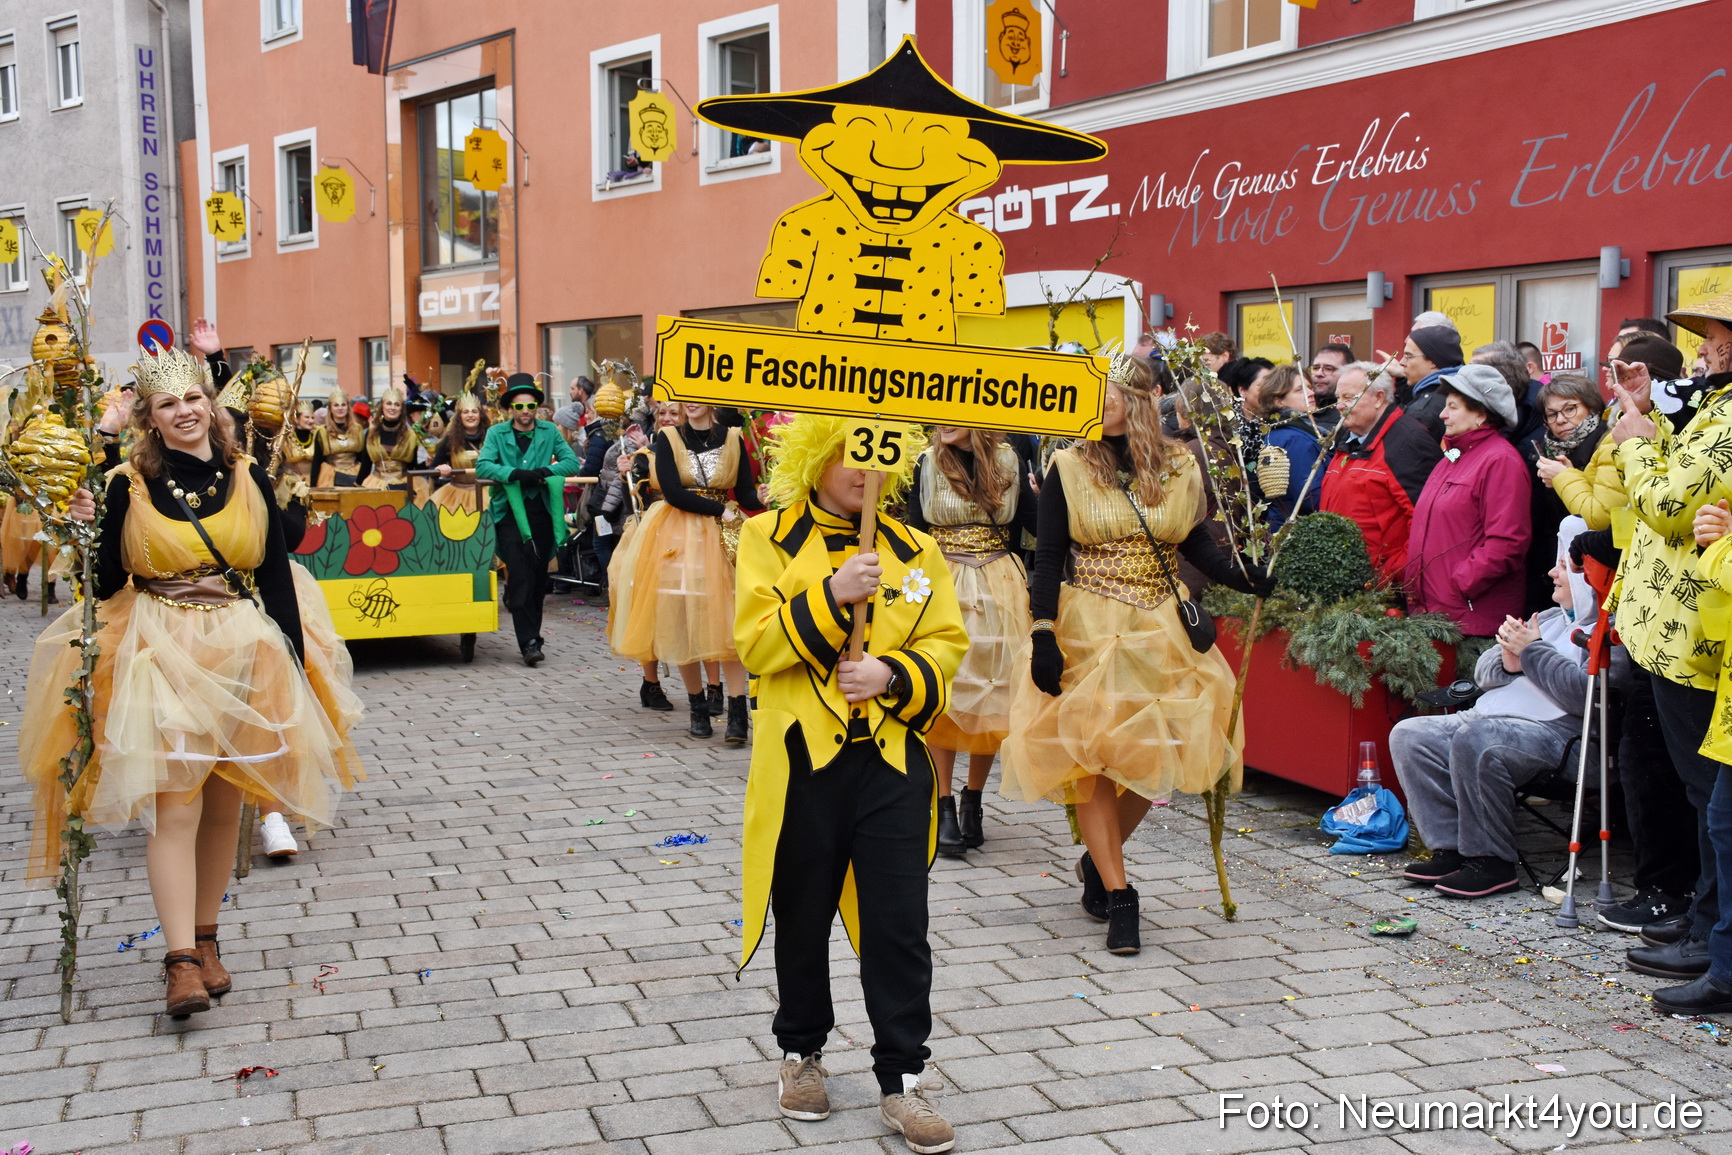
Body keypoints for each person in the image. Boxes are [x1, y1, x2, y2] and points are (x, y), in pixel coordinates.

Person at [18, 344, 360, 1018]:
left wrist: (292, 662)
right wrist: (86, 534)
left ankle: (207, 940)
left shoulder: (248, 476)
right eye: (169, 403)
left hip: (242, 647)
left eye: (194, 399)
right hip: (161, 645)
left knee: (226, 802)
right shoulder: (126, 484)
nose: (185, 412)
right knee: (177, 802)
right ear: (149, 415)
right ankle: (178, 961)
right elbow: (107, 583)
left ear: (212, 405)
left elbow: (272, 576)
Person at [732, 414, 966, 1153]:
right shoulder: (765, 537)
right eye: (848, 454)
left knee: (900, 922)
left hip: (891, 762)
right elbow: (757, 644)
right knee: (801, 913)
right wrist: (831, 594)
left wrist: (891, 673)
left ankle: (904, 1078)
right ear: (814, 456)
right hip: (804, 760)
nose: (865, 471)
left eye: (878, 456)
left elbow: (946, 642)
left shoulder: (915, 547)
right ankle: (800, 1052)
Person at [1004, 354, 1267, 956]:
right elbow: (1046, 556)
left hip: (1161, 626)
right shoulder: (1067, 464)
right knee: (1093, 757)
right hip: (1089, 621)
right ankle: (1123, 896)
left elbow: (1195, 539)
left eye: (1109, 392)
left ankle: (1100, 861)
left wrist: (1243, 575)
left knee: (1155, 758)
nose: (1097, 403)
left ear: (1140, 398)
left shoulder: (1178, 463)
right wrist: (1043, 630)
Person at [1609, 291, 1732, 1008]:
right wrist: (1646, 419)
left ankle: (1711, 929)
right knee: (1701, 792)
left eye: (1713, 335)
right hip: (1672, 622)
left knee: (1710, 795)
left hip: (1697, 630)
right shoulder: (1712, 405)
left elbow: (1664, 505)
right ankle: (1706, 922)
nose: (1703, 347)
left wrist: (1633, 439)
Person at [1392, 534, 1597, 899]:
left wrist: (1532, 653)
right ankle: (1451, 848)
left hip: (1560, 735)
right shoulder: (1550, 618)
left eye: (1564, 567)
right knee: (1410, 734)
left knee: (1480, 739)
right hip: (1492, 715)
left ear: (1587, 579)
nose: (1552, 572)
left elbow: (1583, 697)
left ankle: (1491, 862)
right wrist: (1508, 660)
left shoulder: (1602, 633)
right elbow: (1484, 673)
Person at [904, 425, 1038, 858]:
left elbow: (1030, 524)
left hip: (1002, 586)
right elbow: (912, 531)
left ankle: (972, 800)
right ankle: (942, 804)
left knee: (996, 695)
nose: (944, 421)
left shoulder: (1008, 461)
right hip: (943, 585)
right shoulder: (925, 462)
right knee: (944, 691)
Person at [613, 403, 763, 742]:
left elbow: (745, 491)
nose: (690, 402)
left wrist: (762, 496)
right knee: (682, 618)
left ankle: (738, 711)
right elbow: (674, 492)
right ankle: (698, 707)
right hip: (677, 537)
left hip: (724, 538)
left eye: (697, 394)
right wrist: (719, 510)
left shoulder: (735, 438)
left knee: (730, 620)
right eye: (685, 396)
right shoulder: (668, 437)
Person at [1404, 363, 1531, 667]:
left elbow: (1507, 543)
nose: (1442, 415)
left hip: (1472, 625)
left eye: (1452, 407)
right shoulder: (1453, 456)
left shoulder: (1500, 461)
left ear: (1481, 414)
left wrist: (1458, 584)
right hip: (1437, 615)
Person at [474, 374, 583, 667]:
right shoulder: (497, 433)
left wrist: (546, 472)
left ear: (537, 407)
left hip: (541, 511)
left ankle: (533, 636)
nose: (525, 412)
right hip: (509, 512)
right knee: (520, 574)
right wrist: (513, 474)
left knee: (537, 579)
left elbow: (571, 462)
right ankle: (528, 642)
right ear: (510, 408)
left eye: (530, 406)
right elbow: (483, 465)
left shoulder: (549, 431)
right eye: (519, 407)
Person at [1319, 362, 1443, 583]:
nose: (1339, 406)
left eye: (1348, 398)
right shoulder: (1347, 437)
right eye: (1338, 398)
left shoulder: (1408, 441)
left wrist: (1390, 574)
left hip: (1384, 588)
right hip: (1345, 581)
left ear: (1378, 398)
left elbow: (1427, 521)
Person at [1523, 373, 1607, 613]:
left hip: (1593, 566)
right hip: (1560, 564)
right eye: (1552, 414)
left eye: (1570, 409)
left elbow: (1599, 513)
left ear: (1591, 407)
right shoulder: (1547, 448)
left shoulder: (1604, 441)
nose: (1561, 420)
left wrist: (1566, 478)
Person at [1243, 364, 1322, 531]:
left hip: (1281, 527)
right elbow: (1310, 497)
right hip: (1299, 532)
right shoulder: (1294, 438)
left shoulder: (1277, 431)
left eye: (1309, 387)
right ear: (1279, 401)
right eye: (1300, 390)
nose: (1311, 393)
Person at [1396, 326, 1465, 440]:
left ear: (1433, 361)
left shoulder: (1424, 411)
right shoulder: (1461, 391)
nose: (1402, 362)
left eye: (1408, 356)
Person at [431, 393, 490, 513]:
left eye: (474, 411)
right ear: (459, 416)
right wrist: (440, 469)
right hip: (455, 496)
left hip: (487, 494)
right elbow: (432, 469)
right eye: (465, 412)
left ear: (480, 415)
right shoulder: (450, 439)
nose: (470, 415)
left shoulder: (491, 437)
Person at [361, 386, 422, 492]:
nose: (392, 408)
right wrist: (356, 488)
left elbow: (413, 467)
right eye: (389, 403)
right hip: (376, 485)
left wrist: (427, 464)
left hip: (403, 485)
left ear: (401, 409)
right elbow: (365, 466)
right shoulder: (371, 434)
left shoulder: (411, 435)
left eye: (397, 404)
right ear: (382, 406)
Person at [315, 390, 366, 486]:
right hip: (330, 477)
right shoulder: (323, 432)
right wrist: (313, 488)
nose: (340, 408)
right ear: (330, 408)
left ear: (348, 407)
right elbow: (317, 461)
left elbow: (362, 458)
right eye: (336, 405)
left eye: (343, 405)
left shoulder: (357, 429)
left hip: (355, 475)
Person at [1308, 342, 1354, 410]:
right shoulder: (1300, 408)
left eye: (1328, 369)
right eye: (1316, 368)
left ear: (1347, 373)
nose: (1319, 373)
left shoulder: (1351, 412)